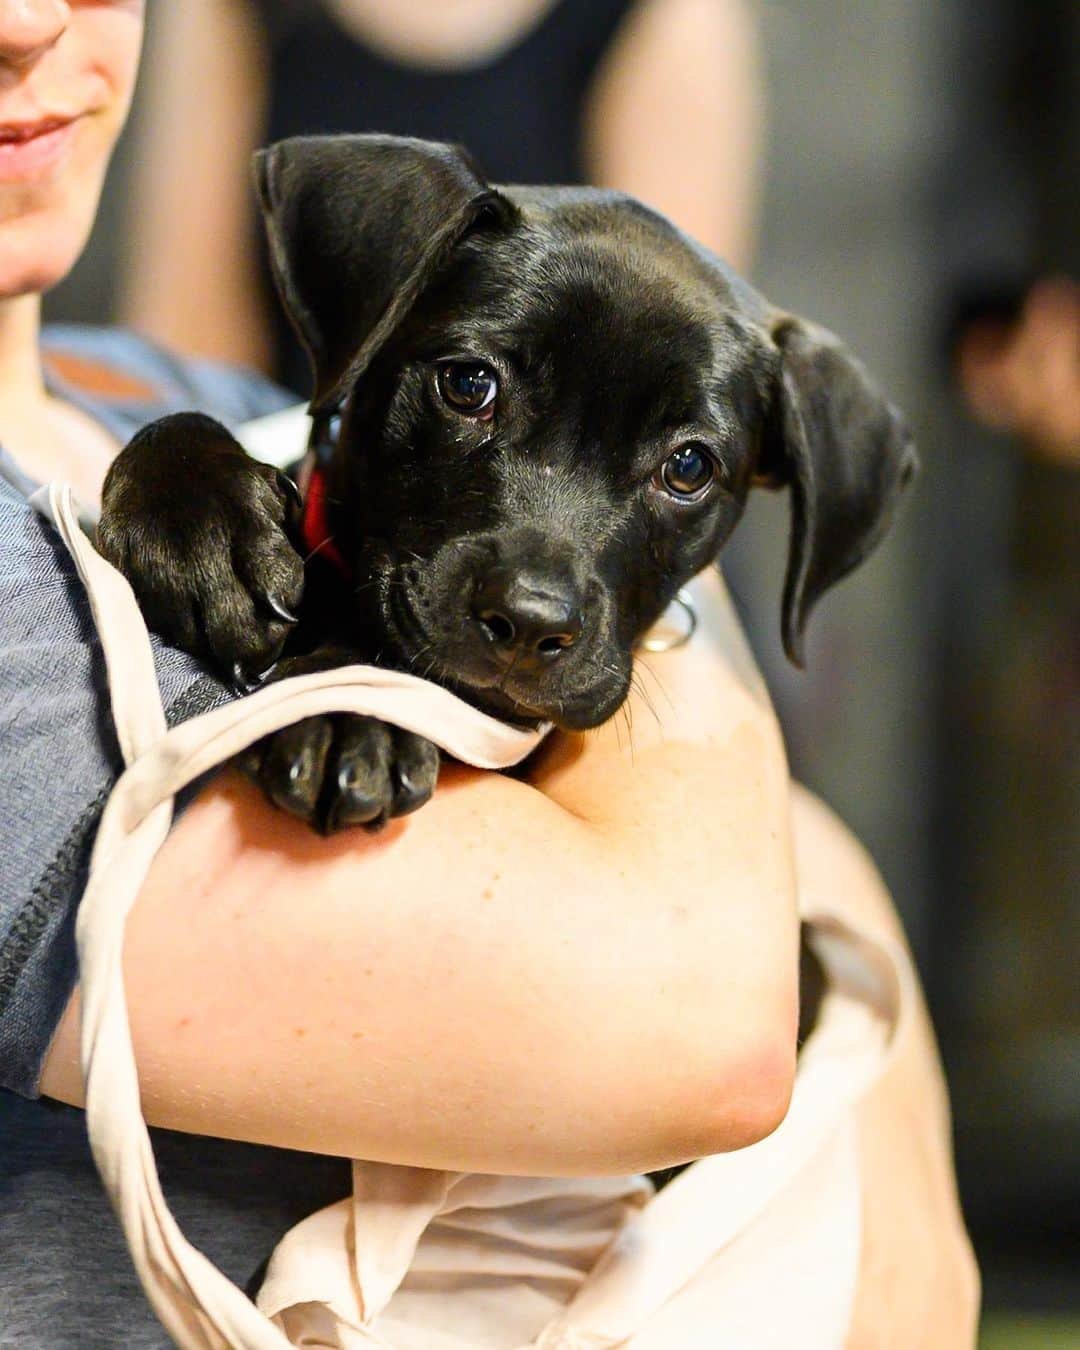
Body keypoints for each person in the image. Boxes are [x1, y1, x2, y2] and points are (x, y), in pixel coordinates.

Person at [0, 2, 976, 1345]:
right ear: (366, 328)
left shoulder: (146, 387)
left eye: (682, 469)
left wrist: (903, 1162)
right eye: (471, 390)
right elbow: (710, 1026)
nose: (537, 581)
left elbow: (815, 899)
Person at [119, 0, 763, 391]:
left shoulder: (667, 17)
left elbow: (666, 356)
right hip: (312, 498)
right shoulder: (239, 13)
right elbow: (186, 333)